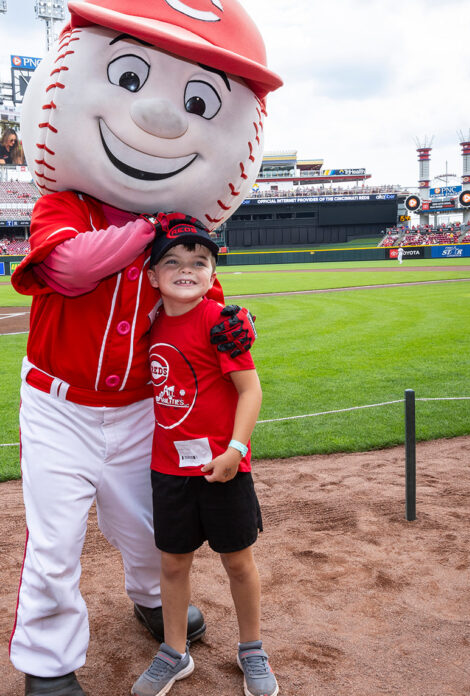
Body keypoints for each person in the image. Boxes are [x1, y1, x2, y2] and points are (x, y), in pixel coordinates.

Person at [8, 0, 281, 694]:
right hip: (58, 405)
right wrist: (146, 233)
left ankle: (155, 602)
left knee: (145, 530)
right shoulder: (65, 204)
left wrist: (232, 328)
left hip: (137, 410)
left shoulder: (181, 242)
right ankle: (48, 663)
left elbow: (202, 307)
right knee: (56, 542)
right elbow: (67, 269)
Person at [131, 220, 276, 696]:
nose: (185, 269)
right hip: (169, 469)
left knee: (237, 561)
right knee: (172, 564)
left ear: (213, 272)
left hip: (222, 468)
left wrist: (235, 450)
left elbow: (250, 390)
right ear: (152, 275)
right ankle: (175, 652)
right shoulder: (148, 325)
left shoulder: (220, 321)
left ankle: (251, 648)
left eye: (198, 262)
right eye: (171, 261)